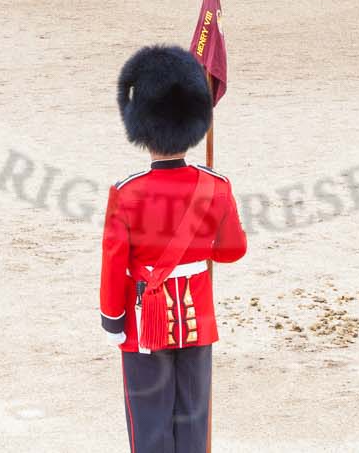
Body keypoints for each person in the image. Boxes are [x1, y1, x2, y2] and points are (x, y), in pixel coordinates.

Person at [100, 46, 247, 453]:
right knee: (193, 421)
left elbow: (114, 263)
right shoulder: (215, 186)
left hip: (144, 319)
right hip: (197, 316)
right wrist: (199, 254)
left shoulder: (126, 193)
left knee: (150, 424)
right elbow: (233, 249)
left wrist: (114, 320)